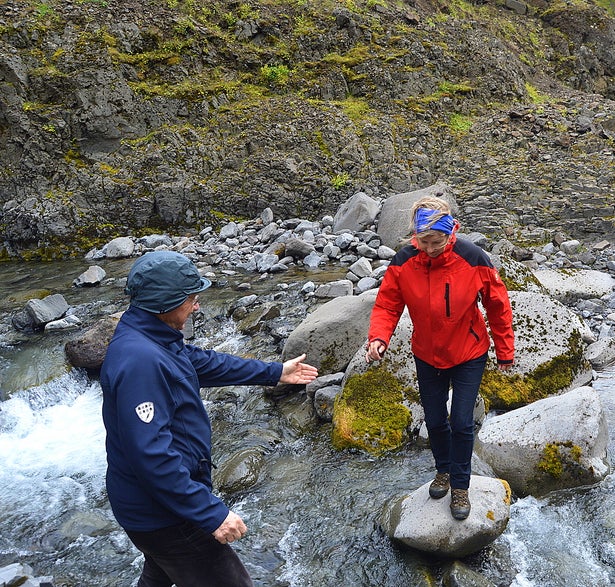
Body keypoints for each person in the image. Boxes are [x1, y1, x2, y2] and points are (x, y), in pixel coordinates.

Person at [100, 251, 318, 587]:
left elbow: (204, 363)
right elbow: (151, 455)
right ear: (162, 305)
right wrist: (209, 512)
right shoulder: (140, 361)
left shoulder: (153, 337)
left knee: (160, 573)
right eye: (190, 299)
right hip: (165, 513)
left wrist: (275, 372)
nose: (197, 306)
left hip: (150, 506)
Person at [365, 196, 515, 520]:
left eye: (436, 241)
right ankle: (442, 471)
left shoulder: (473, 258)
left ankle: (460, 486)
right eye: (423, 241)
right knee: (434, 421)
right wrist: (378, 338)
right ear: (414, 236)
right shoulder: (404, 262)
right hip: (427, 354)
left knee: (461, 422)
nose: (430, 248)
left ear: (451, 233)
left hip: (468, 353)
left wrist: (505, 351)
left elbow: (497, 305)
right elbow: (388, 305)